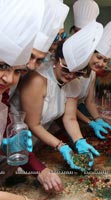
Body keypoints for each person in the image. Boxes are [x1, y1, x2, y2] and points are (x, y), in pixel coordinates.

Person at [11, 21, 103, 172]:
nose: (71, 76)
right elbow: (33, 124)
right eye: (66, 68)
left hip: (41, 142)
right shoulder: (37, 80)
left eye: (78, 73)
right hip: (16, 143)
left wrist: (79, 141)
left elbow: (70, 118)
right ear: (55, 59)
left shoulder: (75, 84)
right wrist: (61, 146)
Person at [0, 0, 64, 199]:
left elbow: (10, 135)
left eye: (17, 71)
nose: (9, 79)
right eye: (2, 66)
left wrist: (41, 170)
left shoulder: (3, 97)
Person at [77, 21, 111, 139]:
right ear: (91, 52)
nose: (101, 63)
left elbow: (90, 101)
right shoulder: (74, 72)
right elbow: (66, 107)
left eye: (106, 60)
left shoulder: (92, 73)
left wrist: (98, 119)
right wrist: (90, 122)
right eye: (99, 57)